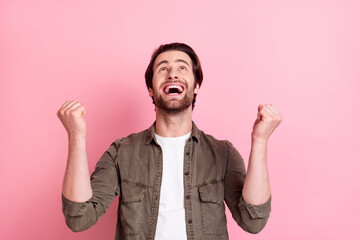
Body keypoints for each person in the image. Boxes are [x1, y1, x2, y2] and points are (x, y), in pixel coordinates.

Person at [57, 42, 283, 240]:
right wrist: (76, 136)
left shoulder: (222, 153)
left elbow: (253, 221)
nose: (172, 74)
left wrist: (260, 140)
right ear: (150, 90)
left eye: (182, 68)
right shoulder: (121, 152)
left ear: (195, 87)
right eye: (163, 68)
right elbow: (79, 218)